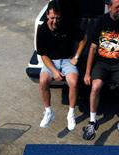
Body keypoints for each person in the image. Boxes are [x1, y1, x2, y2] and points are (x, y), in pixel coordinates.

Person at [83, 0, 119, 143]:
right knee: (95, 87)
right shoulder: (100, 22)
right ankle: (92, 122)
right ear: (109, 7)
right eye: (117, 7)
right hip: (101, 63)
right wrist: (87, 73)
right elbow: (93, 48)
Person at [36, 1, 87, 130]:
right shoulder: (42, 29)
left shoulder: (67, 25)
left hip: (66, 60)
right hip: (50, 61)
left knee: (74, 82)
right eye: (52, 18)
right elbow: (43, 55)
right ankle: (48, 112)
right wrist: (54, 71)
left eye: (57, 18)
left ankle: (70, 114)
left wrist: (76, 57)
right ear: (47, 15)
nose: (55, 21)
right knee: (43, 81)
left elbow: (84, 39)